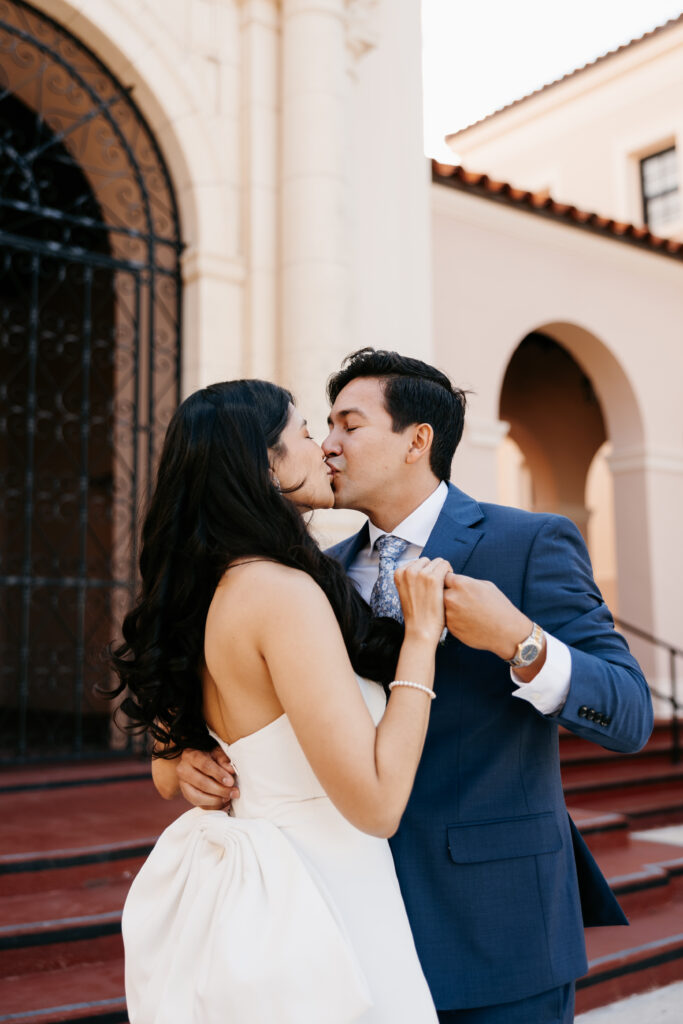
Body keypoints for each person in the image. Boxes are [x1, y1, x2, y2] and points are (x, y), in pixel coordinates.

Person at [169, 350, 654, 1023]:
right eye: (320, 428)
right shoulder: (311, 575)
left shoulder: (530, 542)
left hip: (495, 928)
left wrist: (522, 641)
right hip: (347, 925)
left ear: (416, 441)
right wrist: (183, 756)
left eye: (348, 425)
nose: (328, 445)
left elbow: (629, 713)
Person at [111, 378, 449, 1023]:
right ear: (264, 466)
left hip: (264, 887)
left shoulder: (207, 586)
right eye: (302, 433)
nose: (323, 447)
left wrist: (176, 762)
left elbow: (172, 753)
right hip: (321, 890)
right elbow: (376, 806)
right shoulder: (280, 592)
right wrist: (422, 640)